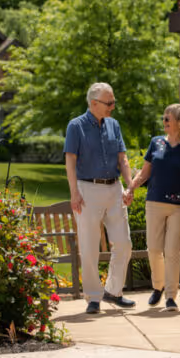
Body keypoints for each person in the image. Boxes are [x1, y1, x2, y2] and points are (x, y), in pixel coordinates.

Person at [64, 82, 135, 314]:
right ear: (94, 103)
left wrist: (129, 185)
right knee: (89, 247)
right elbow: (70, 161)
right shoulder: (76, 126)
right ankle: (93, 297)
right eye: (109, 103)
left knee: (124, 243)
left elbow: (123, 159)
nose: (113, 107)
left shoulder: (114, 125)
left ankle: (113, 291)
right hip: (87, 190)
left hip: (114, 189)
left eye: (113, 102)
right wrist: (74, 192)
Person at [124, 104, 180, 312]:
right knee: (154, 249)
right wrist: (130, 187)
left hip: (179, 206)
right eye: (164, 118)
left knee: (172, 251)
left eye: (168, 118)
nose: (165, 121)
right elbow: (144, 173)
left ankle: (170, 296)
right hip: (155, 202)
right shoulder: (156, 143)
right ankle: (158, 286)